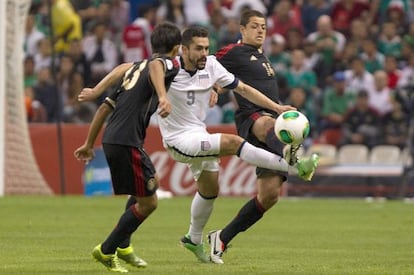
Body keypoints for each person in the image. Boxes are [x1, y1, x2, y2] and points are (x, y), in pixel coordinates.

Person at [78, 25, 319, 265]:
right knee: (233, 143)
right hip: (178, 139)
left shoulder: (212, 64)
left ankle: (192, 239)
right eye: (198, 49)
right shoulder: (172, 67)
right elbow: (132, 67)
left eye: (206, 48)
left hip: (198, 132)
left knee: (210, 189)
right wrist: (101, 90)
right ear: (182, 49)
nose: (204, 53)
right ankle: (295, 167)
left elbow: (243, 88)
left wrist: (276, 108)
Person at [209, 9, 317, 264]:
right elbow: (209, 64)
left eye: (264, 27)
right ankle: (292, 156)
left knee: (269, 196)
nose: (260, 31)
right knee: (266, 122)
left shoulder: (261, 56)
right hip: (252, 118)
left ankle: (222, 238)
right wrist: (214, 86)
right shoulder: (233, 52)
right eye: (255, 26)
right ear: (242, 29)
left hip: (272, 122)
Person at [73, 22, 182, 273]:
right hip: (126, 141)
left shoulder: (135, 69)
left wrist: (89, 142)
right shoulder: (168, 63)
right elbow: (158, 64)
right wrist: (164, 96)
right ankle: (107, 249)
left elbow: (104, 106)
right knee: (150, 203)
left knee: (142, 188)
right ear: (176, 48)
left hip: (114, 139)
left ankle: (124, 247)